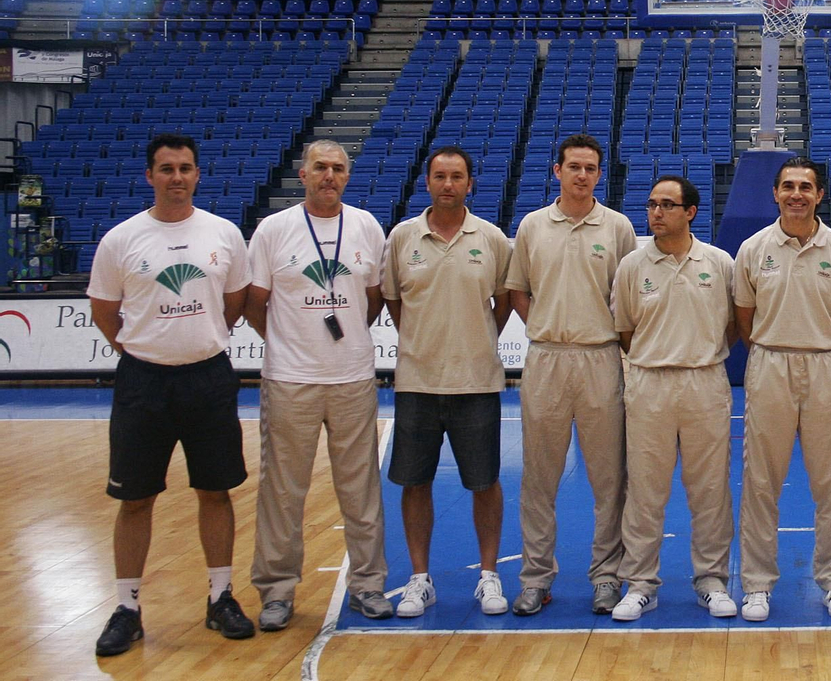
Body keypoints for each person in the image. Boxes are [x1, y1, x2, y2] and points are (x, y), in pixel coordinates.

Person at [88, 133, 255, 656]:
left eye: (185, 168)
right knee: (134, 499)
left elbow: (234, 302)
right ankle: (127, 607)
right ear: (150, 176)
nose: (176, 178)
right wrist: (145, 350)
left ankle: (220, 596)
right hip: (143, 383)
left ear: (198, 175)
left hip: (208, 377)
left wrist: (195, 343)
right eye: (166, 169)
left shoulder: (223, 234)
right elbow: (104, 313)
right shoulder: (121, 239)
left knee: (215, 491)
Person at [245, 140, 393, 631]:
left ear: (347, 176)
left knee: (361, 489)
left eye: (338, 169)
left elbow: (373, 300)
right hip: (290, 380)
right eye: (321, 168)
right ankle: (277, 591)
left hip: (352, 377)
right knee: (283, 491)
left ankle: (369, 584)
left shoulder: (366, 226)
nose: (330, 176)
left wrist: (344, 335)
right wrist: (288, 341)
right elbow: (254, 301)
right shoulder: (274, 229)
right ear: (303, 174)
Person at [504, 133, 638, 616]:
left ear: (600, 174)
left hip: (601, 358)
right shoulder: (533, 226)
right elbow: (518, 290)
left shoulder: (618, 227)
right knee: (539, 478)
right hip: (545, 359)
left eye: (591, 168)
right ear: (556, 171)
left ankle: (607, 577)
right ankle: (536, 578)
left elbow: (628, 295)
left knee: (609, 479)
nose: (582, 175)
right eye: (574, 167)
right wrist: (545, 325)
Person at [382, 146, 513, 619]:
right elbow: (394, 303)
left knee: (485, 482)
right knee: (414, 482)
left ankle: (489, 574)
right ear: (427, 181)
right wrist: (423, 341)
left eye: (457, 176)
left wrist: (474, 341)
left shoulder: (492, 238)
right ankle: (420, 579)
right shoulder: (402, 237)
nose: (448, 184)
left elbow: (503, 302)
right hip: (417, 381)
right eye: (440, 175)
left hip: (477, 382)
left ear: (470, 184)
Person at [733, 156, 831, 622]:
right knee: (761, 481)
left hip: (826, 364)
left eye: (806, 187)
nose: (796, 194)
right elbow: (744, 317)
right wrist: (773, 347)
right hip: (769, 362)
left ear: (819, 195)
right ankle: (756, 584)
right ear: (775, 193)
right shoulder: (753, 248)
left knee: (830, 482)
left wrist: (818, 343)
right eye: (788, 186)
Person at [607, 175, 737, 622]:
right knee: (645, 491)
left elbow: (733, 327)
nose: (656, 212)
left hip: (705, 382)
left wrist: (697, 354)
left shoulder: (719, 263)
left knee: (711, 491)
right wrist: (656, 357)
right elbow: (624, 330)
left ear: (691, 212)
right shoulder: (631, 267)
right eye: (651, 205)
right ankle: (641, 583)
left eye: (667, 205)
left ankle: (712, 579)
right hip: (648, 384)